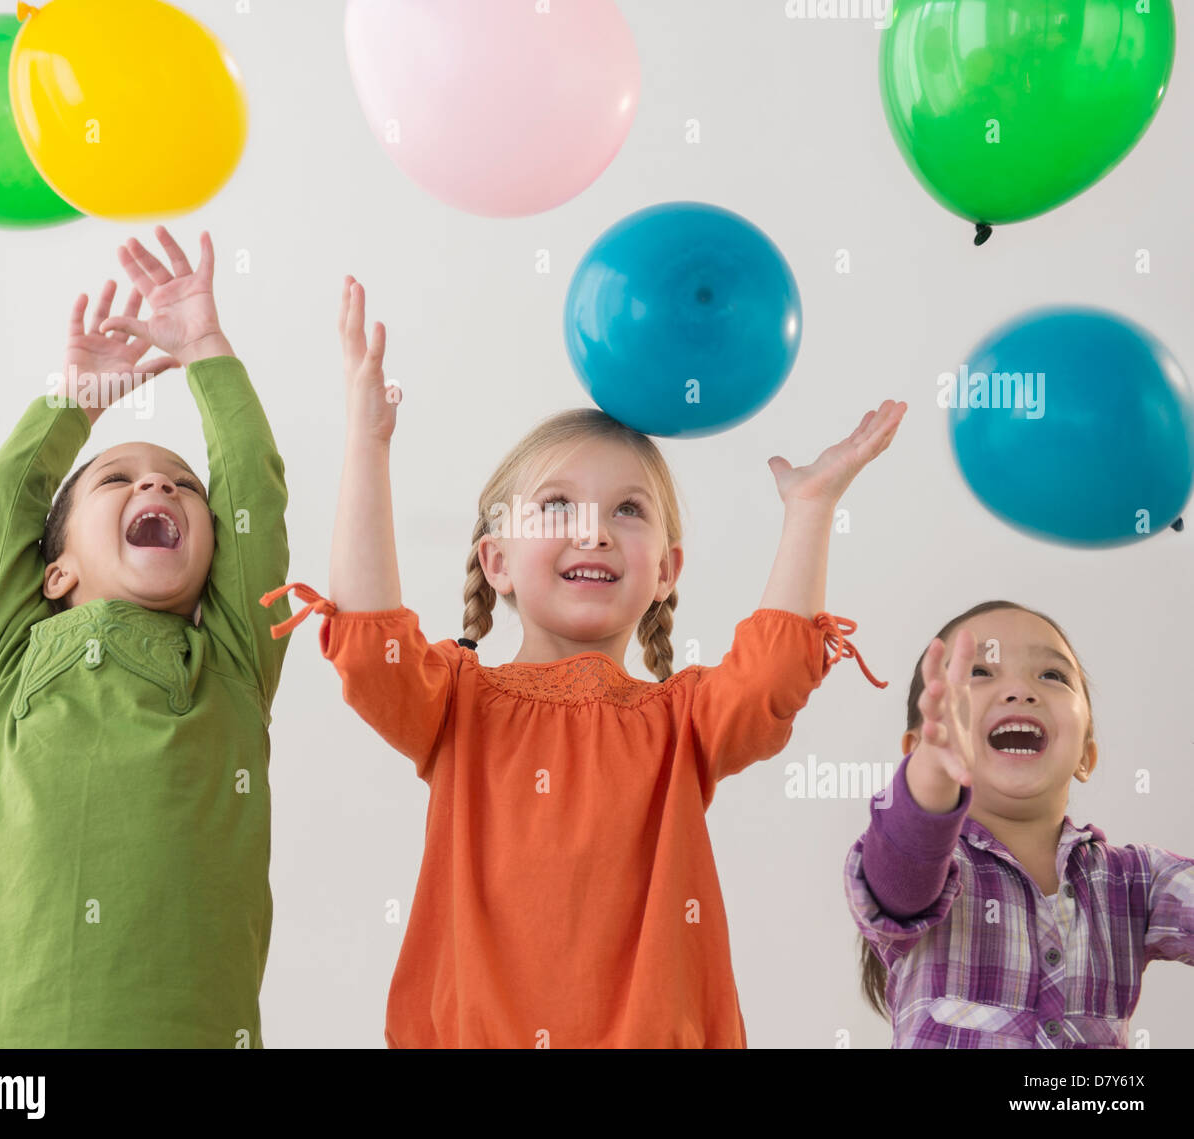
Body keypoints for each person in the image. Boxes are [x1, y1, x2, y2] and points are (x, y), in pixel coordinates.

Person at [261, 276, 904, 1047]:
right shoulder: (454, 702)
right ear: (495, 560)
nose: (594, 532)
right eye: (558, 505)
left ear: (666, 570)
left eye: (627, 509)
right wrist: (367, 445)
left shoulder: (682, 722)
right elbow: (370, 644)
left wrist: (811, 509)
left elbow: (771, 675)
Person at [0, 227, 291, 1047]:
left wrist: (205, 348)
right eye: (121, 478)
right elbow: (0, 508)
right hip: (13, 1048)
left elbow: (252, 488)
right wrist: (73, 406)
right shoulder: (15, 658)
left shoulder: (232, 662)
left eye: (183, 485)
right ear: (56, 572)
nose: (157, 483)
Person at [846, 601, 1194, 1047]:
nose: (1020, 690)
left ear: (1086, 756)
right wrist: (931, 777)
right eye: (979, 673)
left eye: (1052, 676)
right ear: (919, 748)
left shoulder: (1136, 880)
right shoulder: (935, 868)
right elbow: (900, 871)